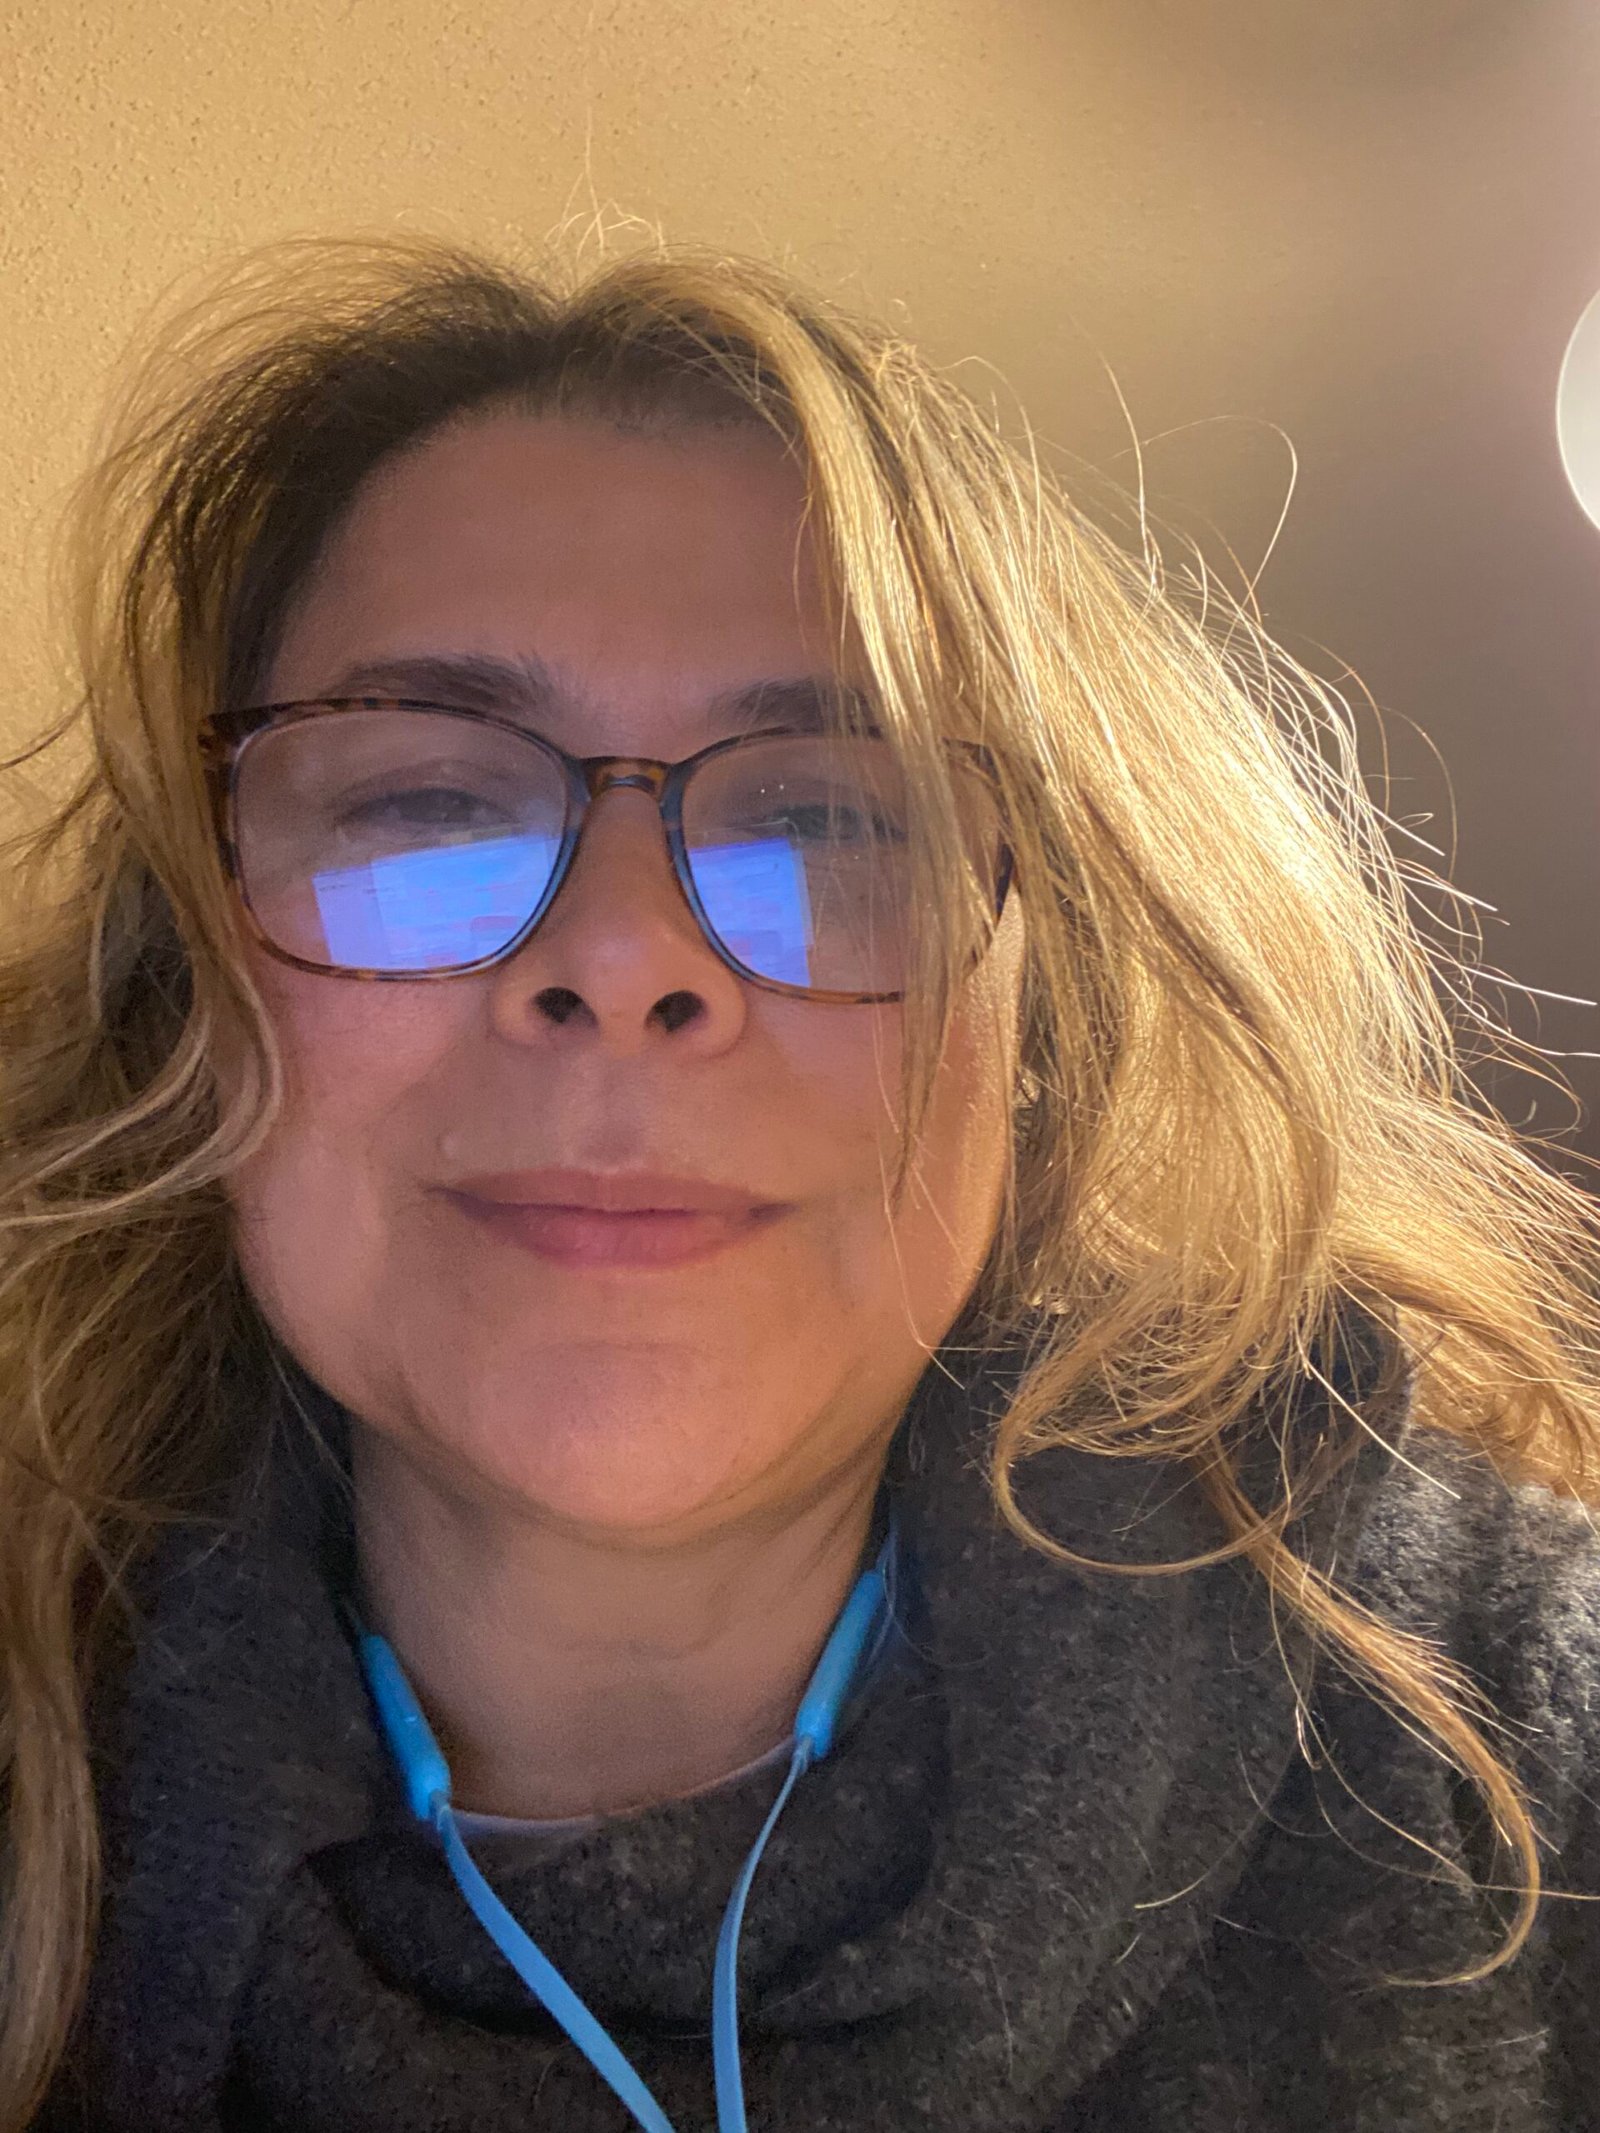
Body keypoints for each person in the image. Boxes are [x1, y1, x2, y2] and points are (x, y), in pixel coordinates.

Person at [4, 236, 1599, 2133]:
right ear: (190, 987)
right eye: (426, 808)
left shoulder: (1513, 1740)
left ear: (1044, 1020)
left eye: (826, 820)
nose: (624, 955)